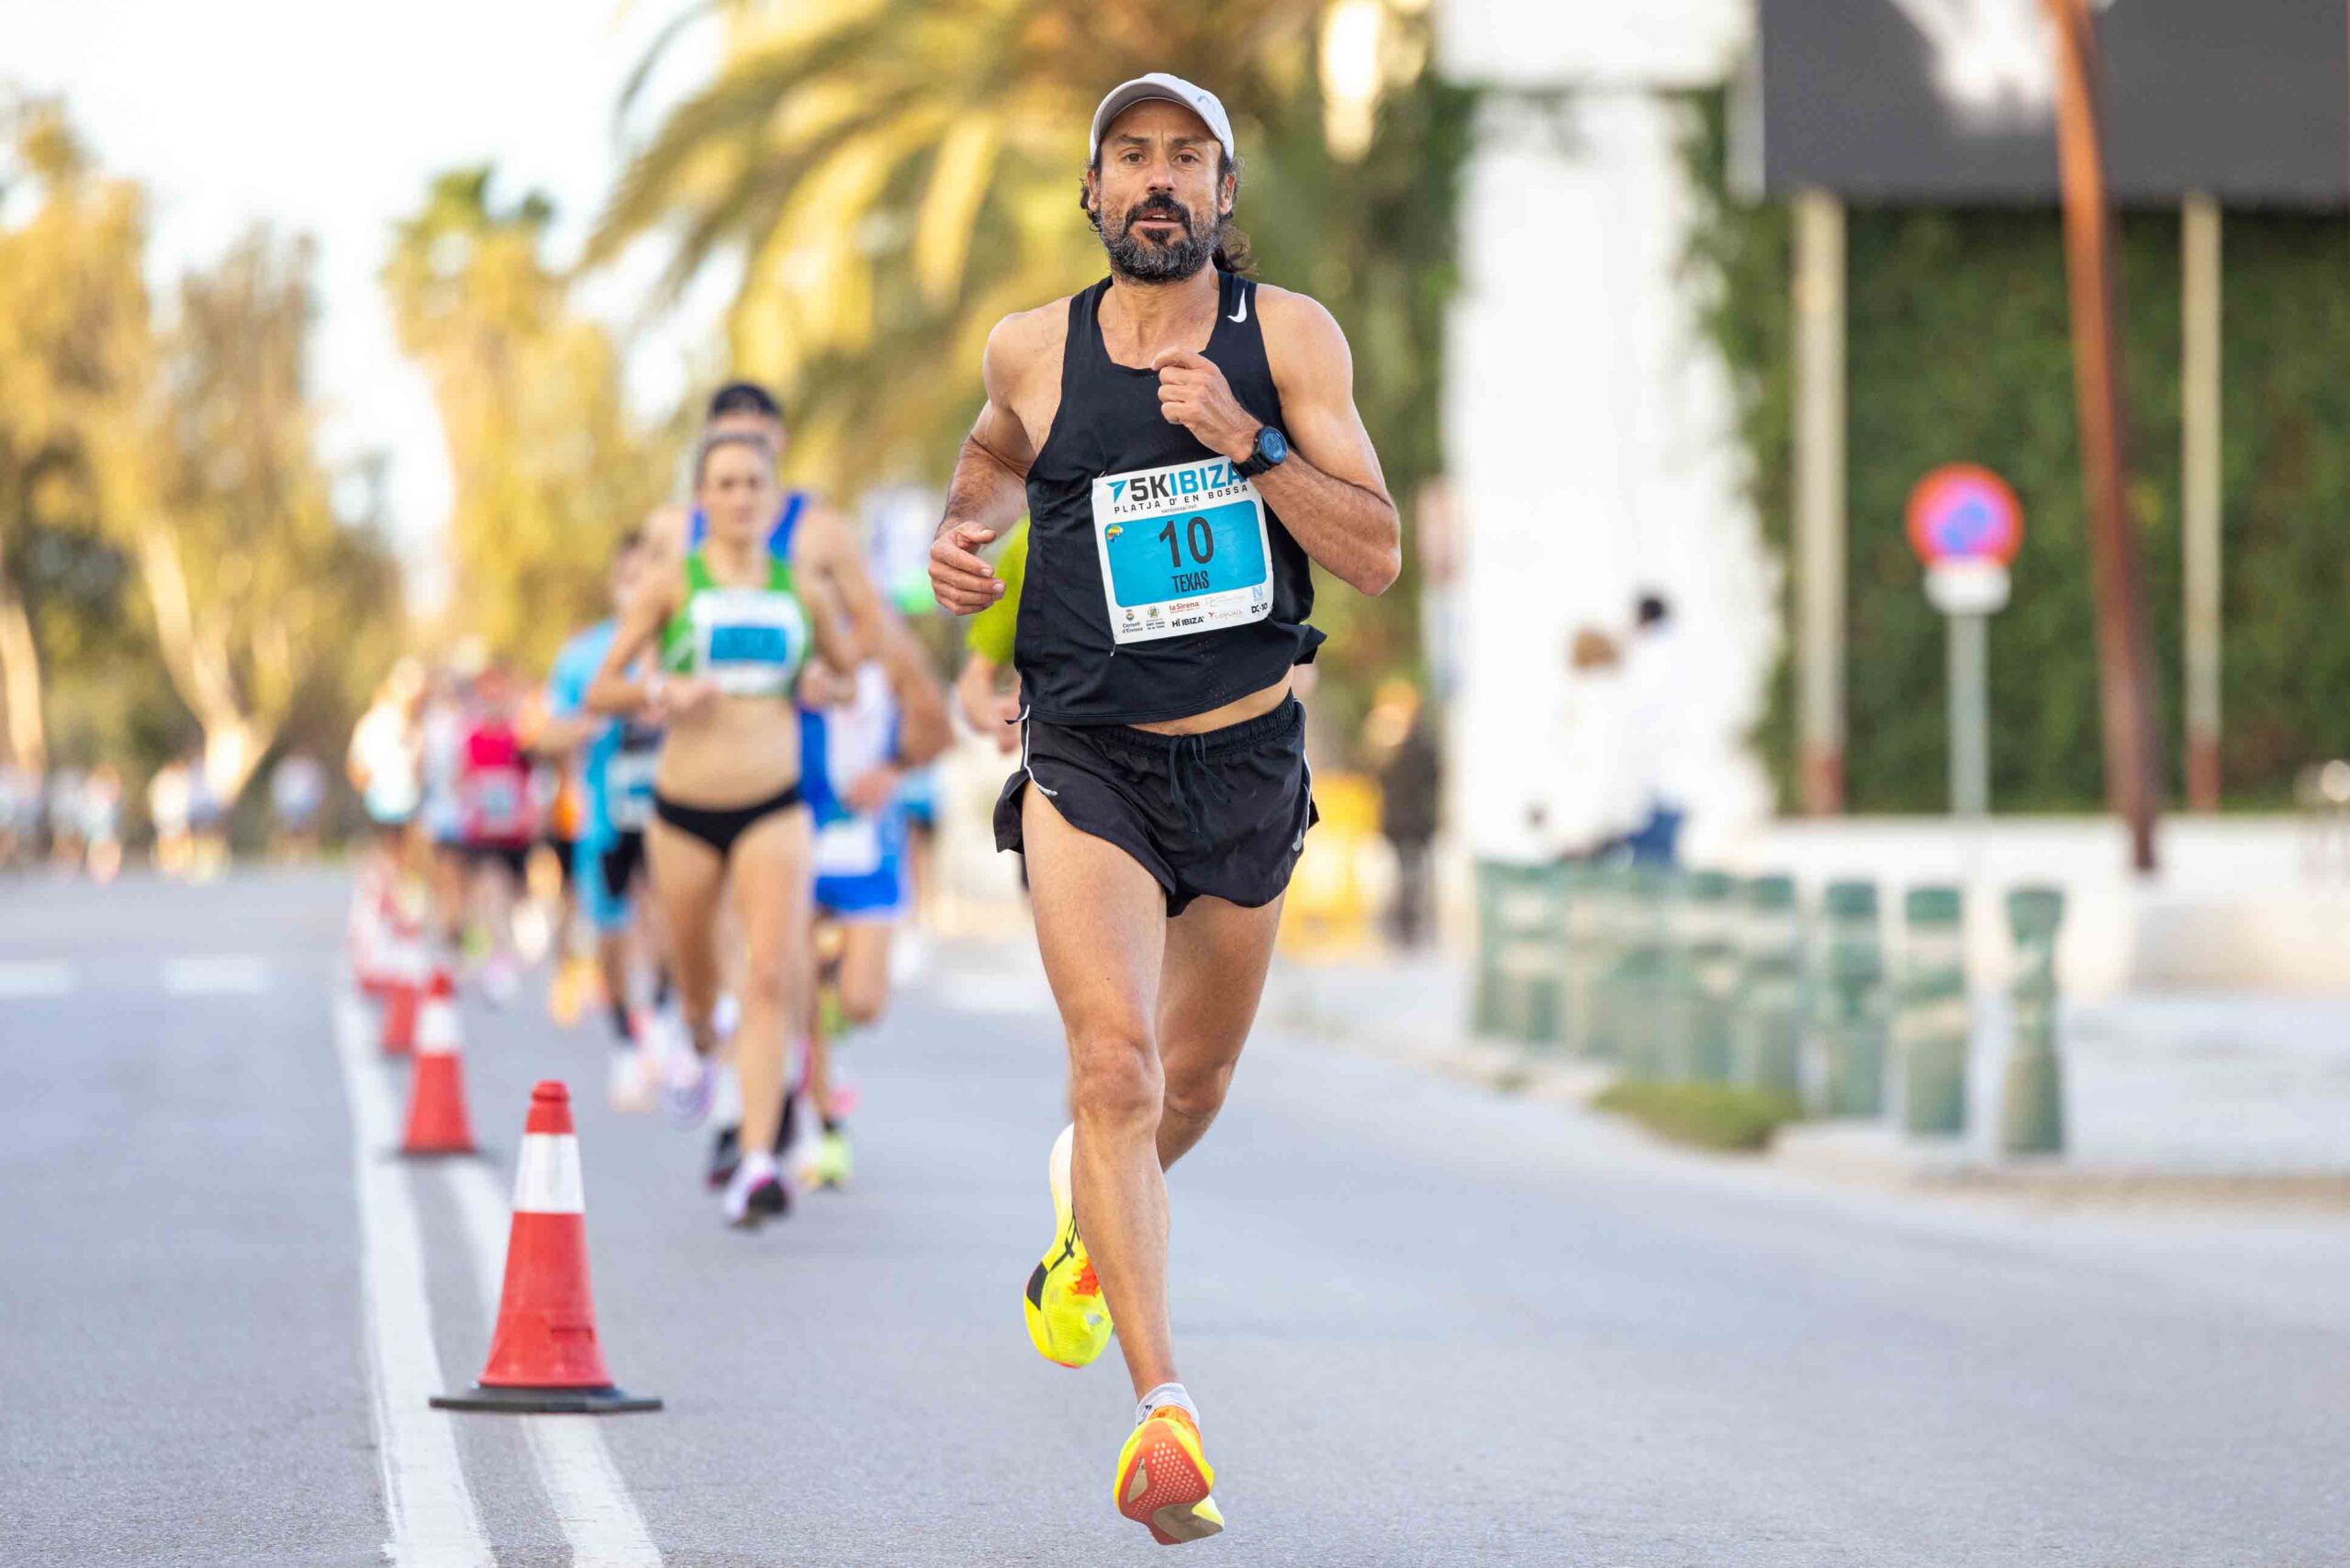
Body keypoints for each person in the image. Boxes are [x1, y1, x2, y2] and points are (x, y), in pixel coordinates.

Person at [927, 73, 1401, 1544]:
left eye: (1186, 159)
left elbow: (1375, 553)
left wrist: (1250, 444)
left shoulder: (1288, 341)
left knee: (1189, 1090)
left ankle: (1085, 1228)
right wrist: (964, 533)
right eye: (1130, 155)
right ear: (1091, 191)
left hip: (1247, 765)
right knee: (1117, 1072)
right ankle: (1164, 1417)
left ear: (1222, 195)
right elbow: (992, 455)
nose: (1156, 180)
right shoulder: (1033, 347)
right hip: (1090, 762)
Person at [588, 430, 855, 1227]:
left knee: (771, 975)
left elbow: (849, 676)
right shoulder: (673, 582)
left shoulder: (799, 587)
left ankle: (760, 1160)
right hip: (683, 812)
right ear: (702, 499)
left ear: (773, 498)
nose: (740, 496)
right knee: (700, 982)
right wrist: (660, 694)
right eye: (726, 484)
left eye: (753, 483)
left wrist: (822, 684)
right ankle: (700, 1037)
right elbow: (602, 689)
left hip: (774, 803)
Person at [543, 532, 667, 1110]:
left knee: (671, 921)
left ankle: (663, 1021)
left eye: (652, 576)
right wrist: (590, 723)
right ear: (618, 584)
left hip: (673, 810)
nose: (642, 589)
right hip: (606, 815)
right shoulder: (583, 655)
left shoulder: (684, 642)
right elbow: (545, 733)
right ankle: (625, 1040)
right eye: (632, 578)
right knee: (613, 935)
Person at [454, 665, 537, 1002]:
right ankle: (497, 960)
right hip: (483, 831)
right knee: (490, 890)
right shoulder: (471, 739)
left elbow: (532, 781)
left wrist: (530, 815)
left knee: (513, 896)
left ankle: (503, 948)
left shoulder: (520, 739)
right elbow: (462, 779)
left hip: (514, 833)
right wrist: (468, 807)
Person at [270, 752, 327, 858]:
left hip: (307, 805)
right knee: (288, 829)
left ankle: (308, 853)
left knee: (308, 828)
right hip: (289, 806)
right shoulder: (286, 767)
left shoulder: (311, 767)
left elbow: (318, 789)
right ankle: (284, 853)